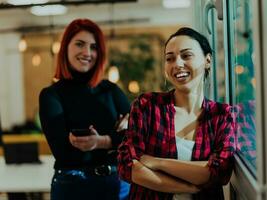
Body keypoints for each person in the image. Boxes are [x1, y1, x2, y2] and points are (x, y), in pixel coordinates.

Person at [118, 27, 236, 199]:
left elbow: (219, 171)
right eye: (169, 58)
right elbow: (127, 166)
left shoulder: (222, 115)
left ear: (207, 60)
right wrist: (191, 187)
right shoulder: (147, 106)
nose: (177, 64)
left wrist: (156, 162)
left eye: (186, 55)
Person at [39, 18, 130, 200]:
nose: (87, 52)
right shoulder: (51, 95)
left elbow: (137, 139)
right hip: (73, 187)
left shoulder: (111, 91)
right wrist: (115, 139)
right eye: (79, 44)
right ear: (65, 47)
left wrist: (101, 141)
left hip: (118, 186)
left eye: (94, 47)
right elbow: (64, 152)